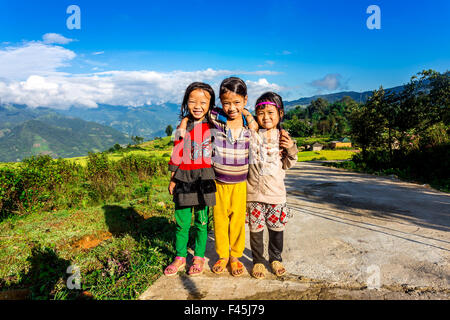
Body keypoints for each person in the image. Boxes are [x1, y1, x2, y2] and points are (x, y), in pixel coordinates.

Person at [164, 82, 216, 277]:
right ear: (186, 102)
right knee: (182, 223)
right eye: (192, 101)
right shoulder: (182, 126)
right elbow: (177, 150)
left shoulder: (214, 125)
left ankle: (199, 257)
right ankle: (179, 257)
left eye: (203, 102)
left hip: (205, 179)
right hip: (184, 179)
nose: (197, 106)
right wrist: (172, 178)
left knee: (202, 222)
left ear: (210, 105)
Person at [207, 77, 258, 277]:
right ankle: (222, 255)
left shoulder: (248, 125)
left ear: (245, 100)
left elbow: (255, 127)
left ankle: (235, 256)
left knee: (237, 221)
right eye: (226, 102)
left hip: (240, 183)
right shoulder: (217, 119)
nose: (231, 108)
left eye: (237, 102)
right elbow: (205, 110)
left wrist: (246, 114)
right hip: (218, 182)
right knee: (219, 220)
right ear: (220, 101)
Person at [246, 92, 298, 279]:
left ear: (280, 114)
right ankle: (258, 261)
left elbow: (289, 163)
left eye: (270, 113)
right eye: (261, 113)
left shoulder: (283, 137)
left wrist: (291, 147)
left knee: (276, 229)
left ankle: (275, 258)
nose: (265, 117)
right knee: (256, 230)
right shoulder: (251, 135)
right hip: (253, 194)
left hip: (276, 194)